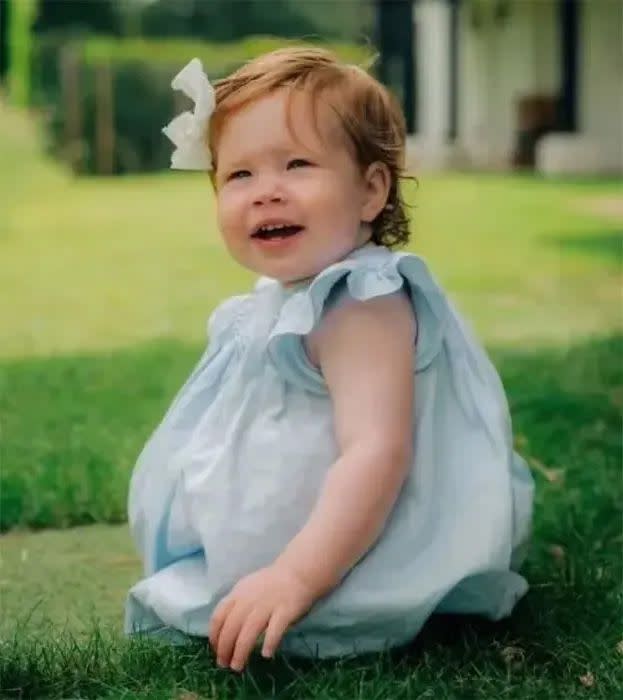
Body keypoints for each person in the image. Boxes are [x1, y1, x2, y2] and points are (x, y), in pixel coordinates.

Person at [124, 48, 535, 673]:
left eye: (297, 164)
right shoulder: (285, 298)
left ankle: (313, 591)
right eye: (239, 176)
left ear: (371, 190)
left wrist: (294, 575)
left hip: (344, 554)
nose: (267, 193)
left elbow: (377, 450)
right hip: (309, 543)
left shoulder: (361, 302)